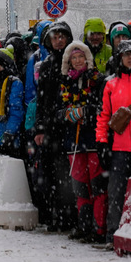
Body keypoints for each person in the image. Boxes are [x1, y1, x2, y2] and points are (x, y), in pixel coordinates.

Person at [39, 40, 107, 242]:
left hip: (93, 139)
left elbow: (102, 107)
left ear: (87, 59)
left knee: (97, 185)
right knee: (79, 185)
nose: (77, 61)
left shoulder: (97, 80)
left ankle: (99, 228)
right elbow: (57, 110)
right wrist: (66, 114)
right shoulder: (65, 83)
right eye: (73, 58)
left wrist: (86, 111)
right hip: (73, 141)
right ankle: (84, 225)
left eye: (80, 57)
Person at [96, 40, 131, 239]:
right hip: (118, 149)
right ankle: (114, 234)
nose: (130, 58)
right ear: (119, 58)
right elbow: (103, 115)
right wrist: (101, 142)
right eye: (126, 54)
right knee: (116, 193)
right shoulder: (110, 84)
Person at [32, 20, 76, 232]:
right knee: (49, 174)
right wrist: (39, 127)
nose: (58, 41)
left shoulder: (74, 60)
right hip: (50, 126)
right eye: (55, 37)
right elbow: (41, 99)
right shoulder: (47, 64)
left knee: (67, 174)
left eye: (62, 37)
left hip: (69, 124)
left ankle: (69, 217)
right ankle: (53, 216)